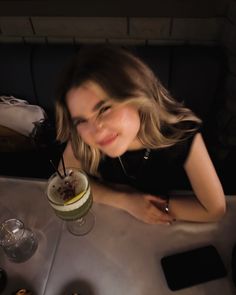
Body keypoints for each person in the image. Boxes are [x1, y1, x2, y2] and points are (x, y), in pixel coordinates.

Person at [55, 44, 226, 225]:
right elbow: (66, 179)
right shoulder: (84, 136)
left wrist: (156, 208)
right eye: (81, 120)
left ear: (139, 97)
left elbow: (214, 210)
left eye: (104, 109)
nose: (95, 130)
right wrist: (126, 201)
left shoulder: (181, 133)